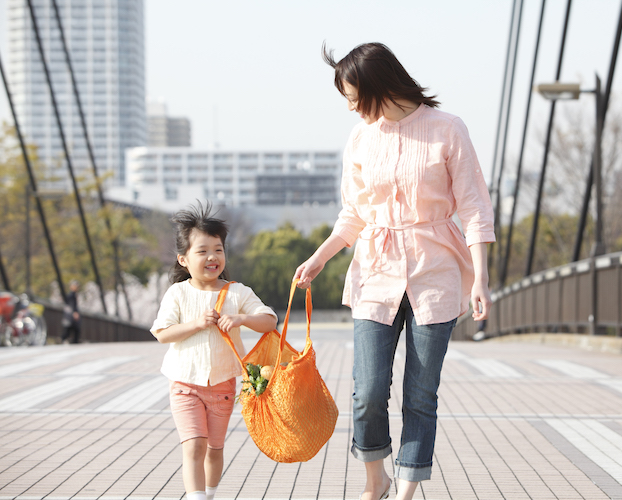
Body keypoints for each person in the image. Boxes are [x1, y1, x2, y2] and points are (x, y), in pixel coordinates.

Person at [294, 43, 495, 500]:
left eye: (352, 95)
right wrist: (320, 257)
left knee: (420, 396)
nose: (349, 107)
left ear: (378, 86)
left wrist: (480, 277)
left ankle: (405, 491)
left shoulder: (448, 129)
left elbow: (475, 208)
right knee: (366, 392)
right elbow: (353, 214)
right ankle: (375, 479)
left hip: (436, 272)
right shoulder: (362, 137)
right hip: (374, 272)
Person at [151, 202, 277, 500]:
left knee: (215, 447)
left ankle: (208, 494)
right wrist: (195, 324)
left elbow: (270, 320)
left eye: (218, 249)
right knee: (194, 443)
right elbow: (162, 333)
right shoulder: (177, 294)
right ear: (183, 259)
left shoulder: (236, 292)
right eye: (202, 250)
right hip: (184, 384)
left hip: (223, 384)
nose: (212, 257)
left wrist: (242, 318)